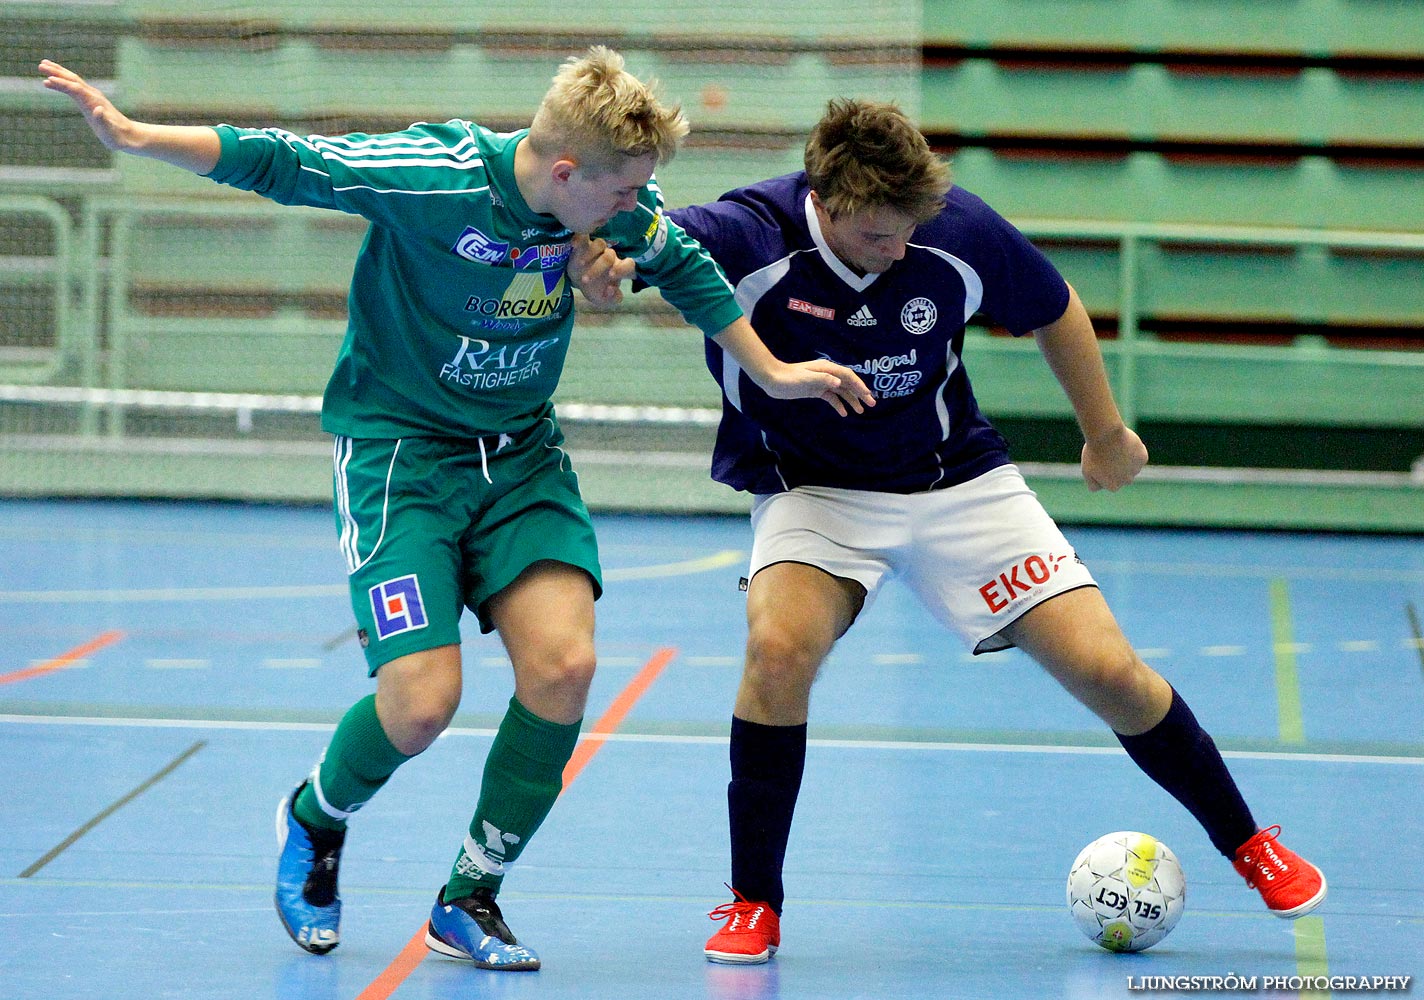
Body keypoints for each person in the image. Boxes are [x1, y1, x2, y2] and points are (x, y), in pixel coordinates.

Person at [39, 52, 874, 971]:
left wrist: (774, 371)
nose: (641, 203)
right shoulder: (433, 177)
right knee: (422, 702)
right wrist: (131, 135)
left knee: (565, 668)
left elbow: (683, 266)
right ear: (566, 173)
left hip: (520, 459)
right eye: (628, 186)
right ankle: (316, 818)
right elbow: (281, 159)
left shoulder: (611, 211)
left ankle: (468, 897)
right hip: (403, 461)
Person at [570, 98, 1327, 965]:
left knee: (1110, 670)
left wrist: (1105, 432)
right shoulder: (748, 234)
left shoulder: (950, 226)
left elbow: (1054, 307)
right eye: (879, 238)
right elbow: (628, 233)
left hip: (956, 483)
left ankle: (1250, 844)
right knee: (777, 651)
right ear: (826, 202)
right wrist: (597, 264)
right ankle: (752, 902)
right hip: (814, 493)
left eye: (909, 233)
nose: (899, 251)